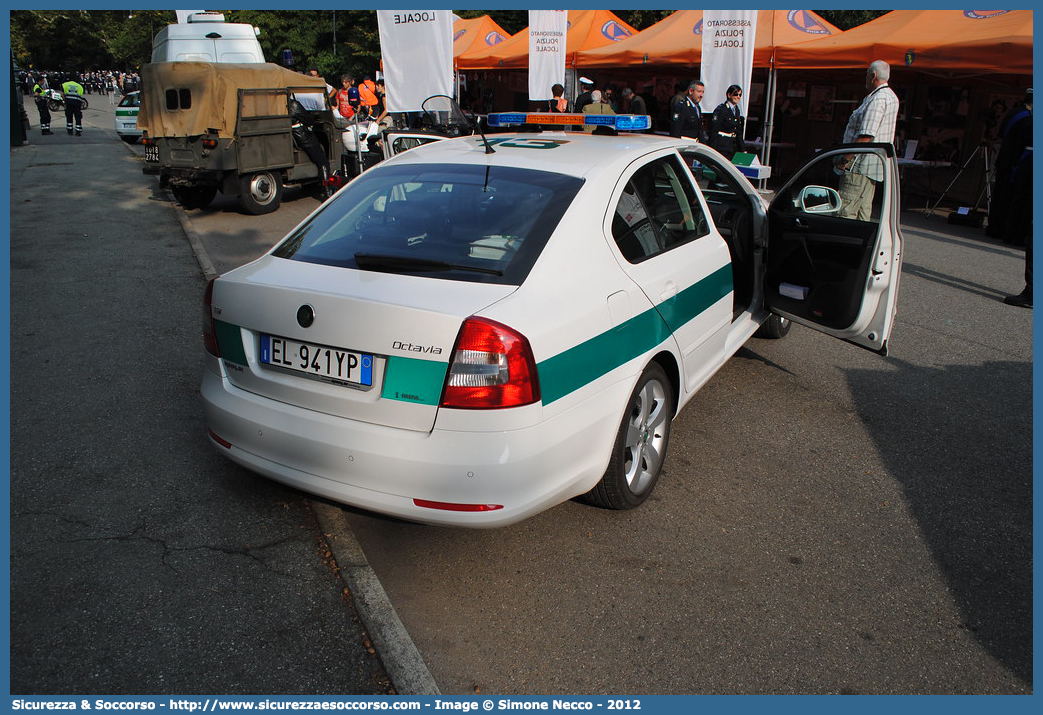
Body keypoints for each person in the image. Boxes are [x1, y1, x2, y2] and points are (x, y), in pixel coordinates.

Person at [835, 60, 899, 220]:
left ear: (873, 76)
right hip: (873, 167)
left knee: (845, 212)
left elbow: (867, 135)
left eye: (866, 74)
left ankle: (844, 244)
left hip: (859, 166)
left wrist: (845, 158)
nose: (864, 78)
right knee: (863, 214)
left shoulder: (877, 99)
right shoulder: (891, 96)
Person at [988, 88, 1032, 239]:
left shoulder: (1014, 113)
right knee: (1007, 196)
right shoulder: (1026, 117)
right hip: (1014, 161)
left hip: (1006, 159)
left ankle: (993, 226)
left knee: (999, 194)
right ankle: (999, 228)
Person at [289, 96, 332, 199]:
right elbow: (309, 120)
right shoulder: (293, 105)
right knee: (323, 162)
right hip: (302, 137)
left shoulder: (278, 104)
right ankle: (327, 191)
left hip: (293, 137)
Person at [709, 84, 746, 158]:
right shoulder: (722, 109)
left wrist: (743, 149)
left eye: (740, 95)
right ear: (729, 95)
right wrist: (712, 150)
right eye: (736, 94)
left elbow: (738, 131)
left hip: (730, 147)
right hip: (721, 146)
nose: (738, 96)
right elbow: (714, 130)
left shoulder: (736, 111)